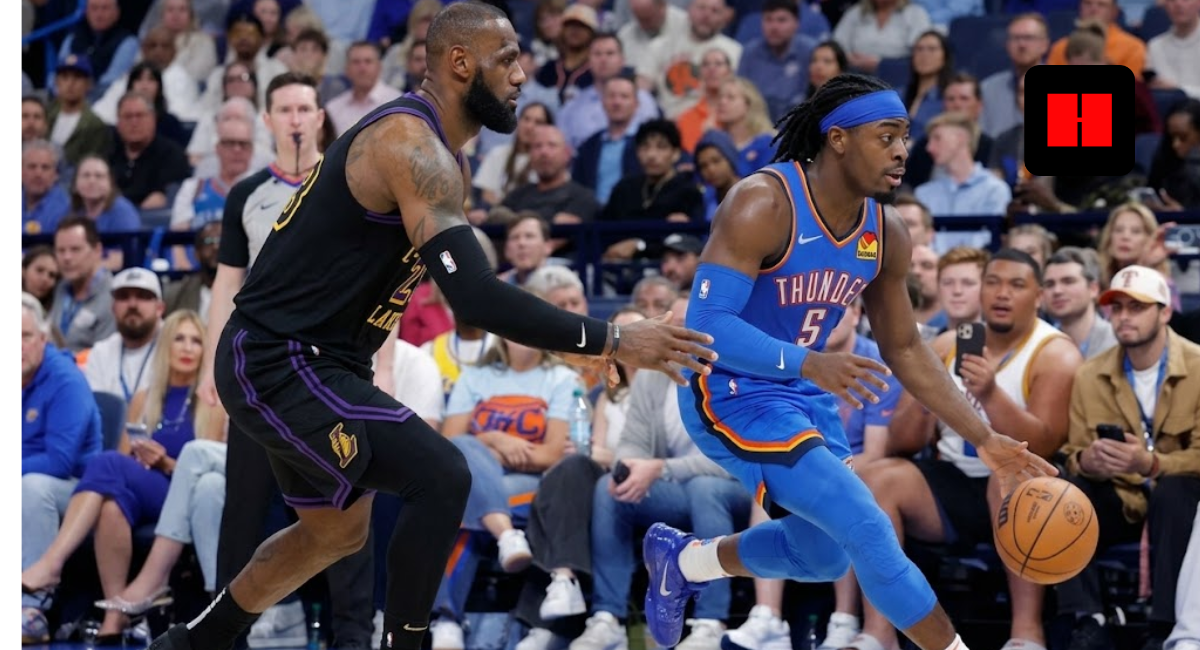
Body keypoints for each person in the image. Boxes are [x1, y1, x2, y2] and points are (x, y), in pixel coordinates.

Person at [146, 4, 716, 649]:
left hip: (322, 361)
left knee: (336, 532)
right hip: (281, 357)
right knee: (442, 474)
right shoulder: (410, 147)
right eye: (507, 59)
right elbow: (472, 297)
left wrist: (578, 345)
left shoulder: (448, 164)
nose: (522, 74)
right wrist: (613, 338)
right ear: (459, 62)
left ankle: (193, 643)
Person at [637, 73, 1055, 650]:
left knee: (824, 555)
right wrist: (810, 364)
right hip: (726, 391)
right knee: (868, 528)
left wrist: (983, 436)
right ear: (837, 139)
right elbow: (708, 326)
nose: (903, 151)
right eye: (887, 136)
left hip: (800, 395)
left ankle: (686, 562)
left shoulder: (886, 231)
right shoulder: (763, 202)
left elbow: (905, 347)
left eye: (906, 136)